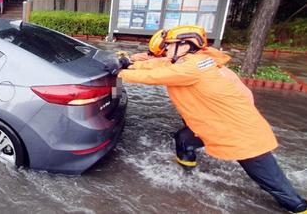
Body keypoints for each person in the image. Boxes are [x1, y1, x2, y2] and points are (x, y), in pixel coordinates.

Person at [116, 25, 307, 213]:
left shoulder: (193, 67)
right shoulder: (191, 61)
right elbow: (159, 64)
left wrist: (120, 73)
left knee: (275, 185)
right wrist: (131, 64)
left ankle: (299, 207)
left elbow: (156, 75)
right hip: (213, 124)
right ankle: (188, 174)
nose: (166, 49)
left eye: (169, 45)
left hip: (239, 131)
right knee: (184, 140)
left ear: (184, 46)